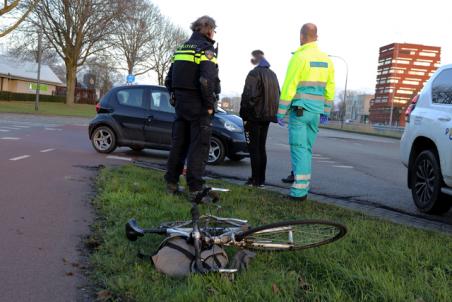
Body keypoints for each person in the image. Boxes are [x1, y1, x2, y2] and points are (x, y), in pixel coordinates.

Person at [277, 23, 335, 201]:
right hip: (316, 113)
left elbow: (289, 86)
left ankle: (299, 192)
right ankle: (303, 186)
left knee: (299, 149)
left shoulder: (299, 57)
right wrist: (326, 110)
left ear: (302, 36)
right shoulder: (327, 59)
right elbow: (330, 87)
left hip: (300, 110)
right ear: (316, 36)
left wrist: (281, 111)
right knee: (307, 150)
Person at [164, 16, 220, 199]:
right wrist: (209, 105)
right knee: (199, 147)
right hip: (199, 105)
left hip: (181, 104)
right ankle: (195, 189)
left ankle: (171, 184)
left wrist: (175, 96)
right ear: (209, 29)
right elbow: (206, 80)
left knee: (178, 145)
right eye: (213, 29)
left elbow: (169, 79)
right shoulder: (206, 49)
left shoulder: (181, 48)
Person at [240, 50, 280, 187]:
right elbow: (277, 95)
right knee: (261, 147)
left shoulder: (254, 73)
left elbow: (248, 96)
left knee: (254, 148)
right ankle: (260, 179)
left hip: (254, 116)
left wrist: (244, 115)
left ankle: (255, 180)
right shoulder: (273, 75)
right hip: (267, 116)